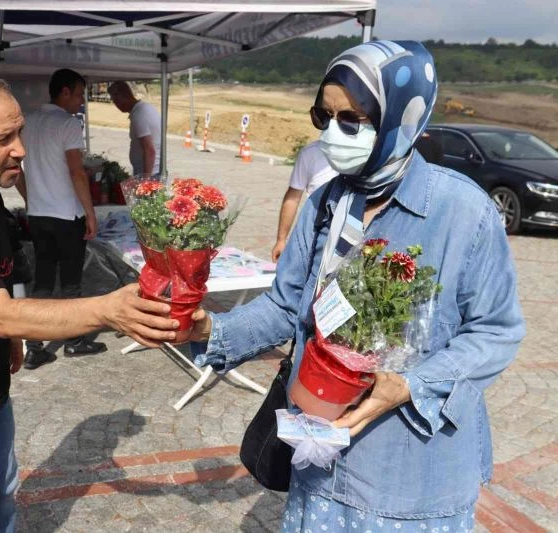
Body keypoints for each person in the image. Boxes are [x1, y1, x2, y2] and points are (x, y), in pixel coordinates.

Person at [189, 41, 524, 532]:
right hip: (320, 461)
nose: (333, 133)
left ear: (401, 119)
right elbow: (286, 306)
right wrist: (208, 330)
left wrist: (410, 385)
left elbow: (496, 331)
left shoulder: (462, 212)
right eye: (323, 117)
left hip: (409, 474)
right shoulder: (326, 202)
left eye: (352, 120)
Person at [0, 73, 179, 532]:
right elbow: (2, 314)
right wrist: (108, 309)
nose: (21, 149)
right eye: (3, 139)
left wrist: (12, 339)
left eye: (19, 132)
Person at [15, 68, 105, 369]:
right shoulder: (67, 123)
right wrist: (90, 212)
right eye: (79, 95)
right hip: (67, 214)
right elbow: (77, 172)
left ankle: (34, 346)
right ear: (64, 92)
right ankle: (74, 341)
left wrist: (30, 199)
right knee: (70, 282)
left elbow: (15, 171)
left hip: (39, 215)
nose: (81, 101)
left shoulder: (28, 122)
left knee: (42, 280)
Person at [271, 140, 338, 262]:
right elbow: (293, 198)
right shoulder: (311, 152)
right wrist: (281, 240)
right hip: (315, 235)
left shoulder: (366, 153)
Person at [107, 81, 161, 177]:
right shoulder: (145, 107)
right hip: (152, 172)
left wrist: (145, 180)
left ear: (120, 98)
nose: (116, 105)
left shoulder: (139, 115)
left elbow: (149, 150)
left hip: (150, 174)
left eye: (114, 101)